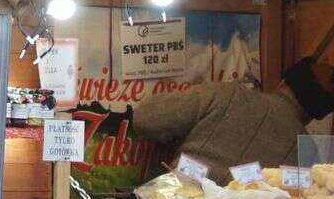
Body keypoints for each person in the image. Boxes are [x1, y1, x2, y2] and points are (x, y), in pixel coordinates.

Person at [130, 55, 334, 182]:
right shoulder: (308, 154)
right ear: (319, 113)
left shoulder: (225, 94)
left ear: (283, 82)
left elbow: (146, 118)